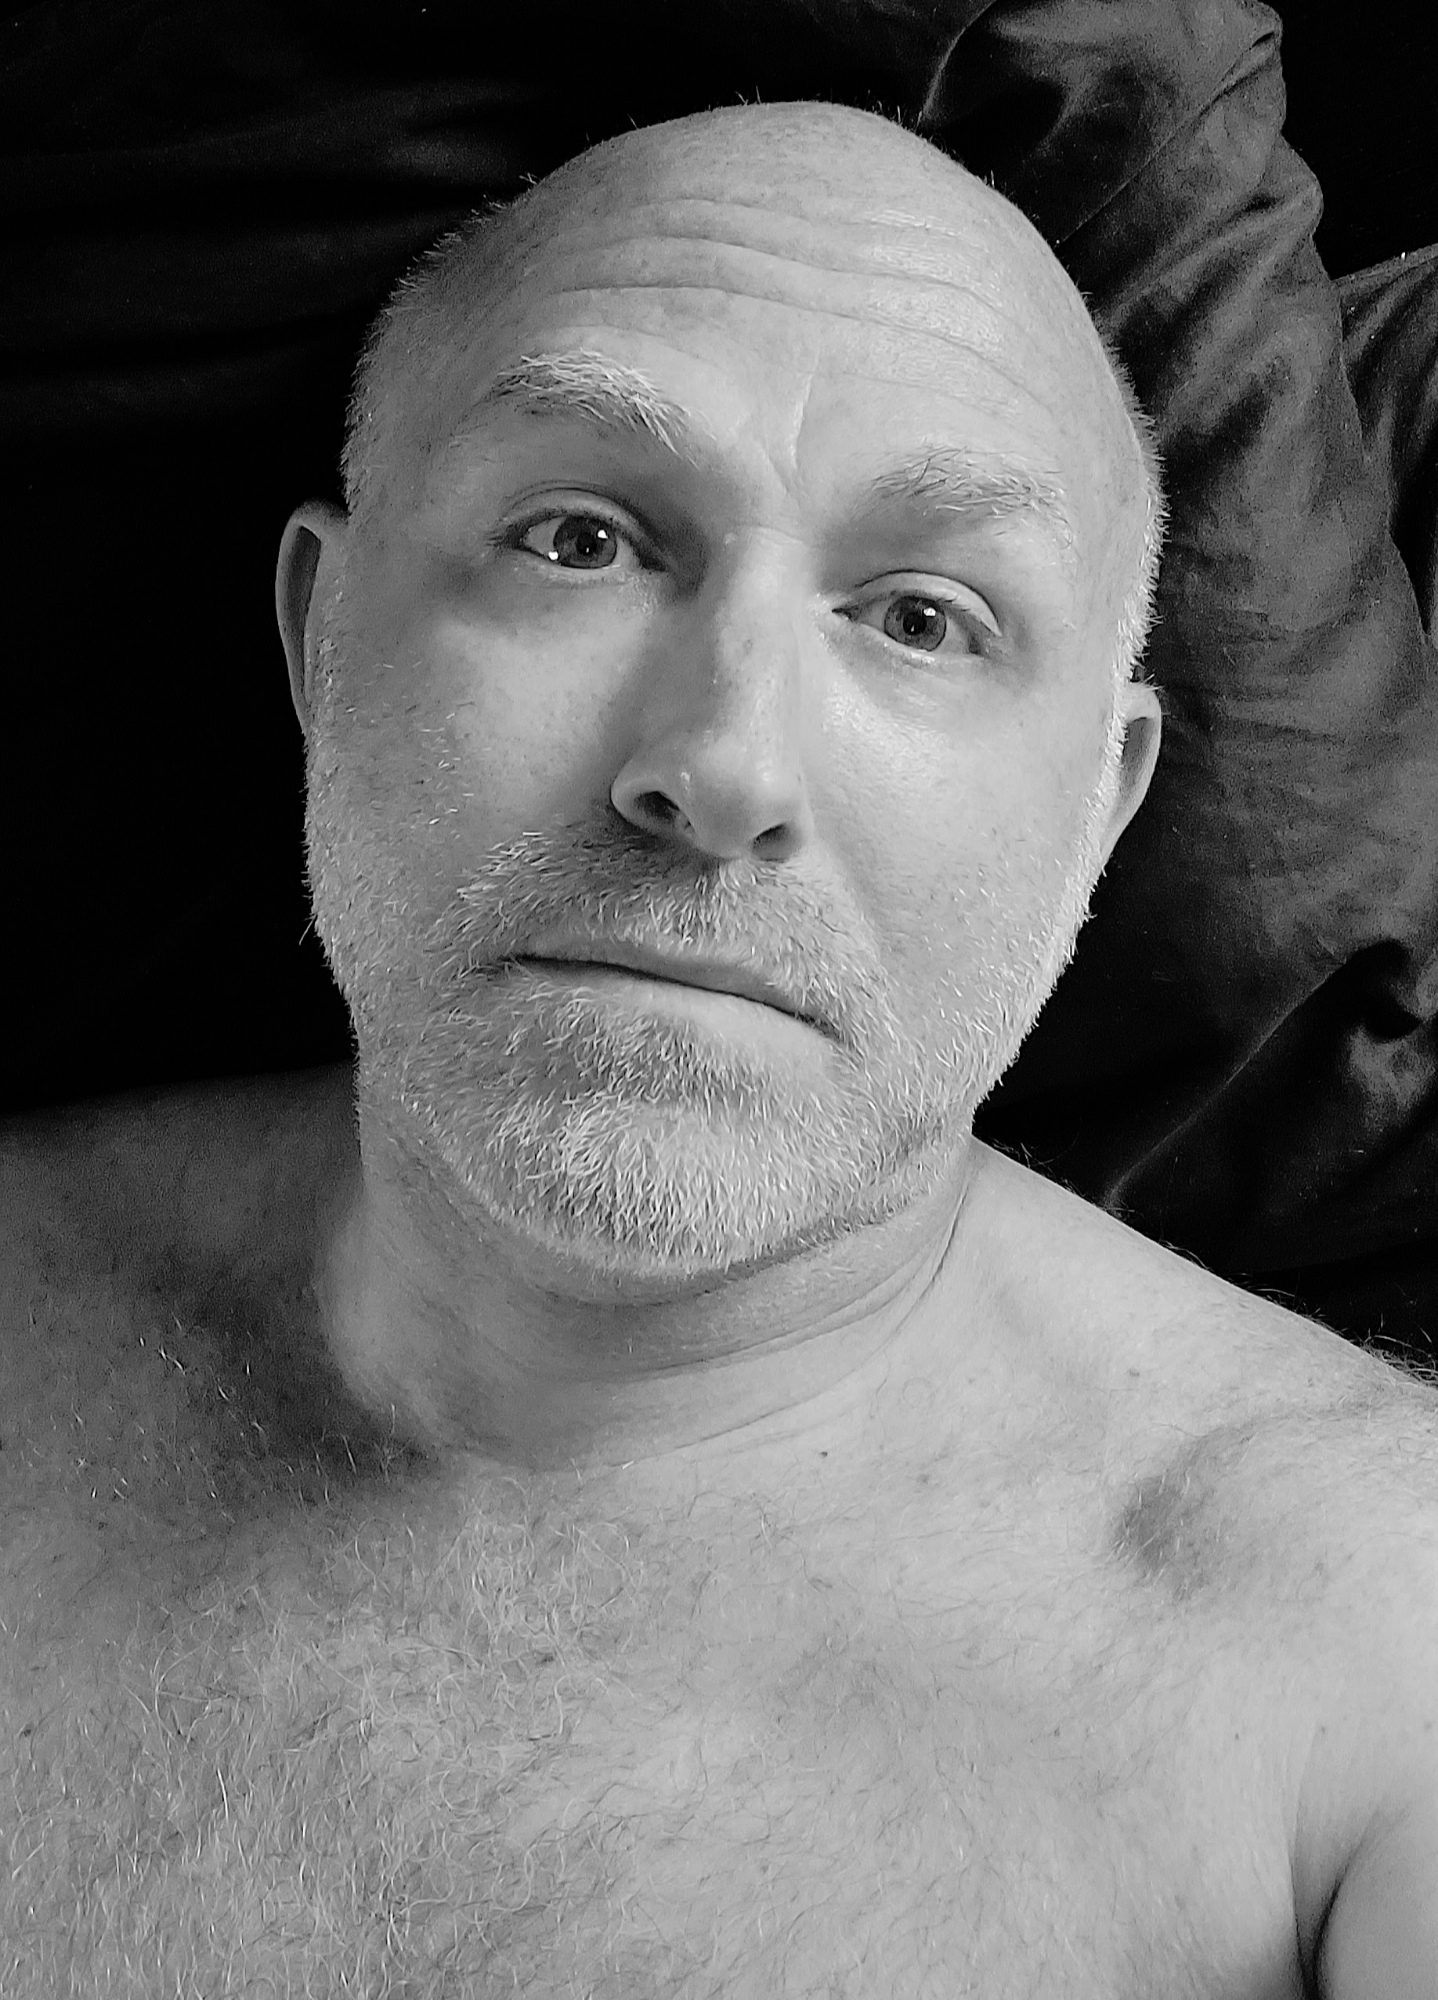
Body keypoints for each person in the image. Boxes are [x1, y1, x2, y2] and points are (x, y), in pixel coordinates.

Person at [2, 98, 1436, 1998]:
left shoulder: (1377, 1667)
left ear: (1099, 808)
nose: (723, 767)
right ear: (322, 640)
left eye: (922, 618)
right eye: (580, 540)